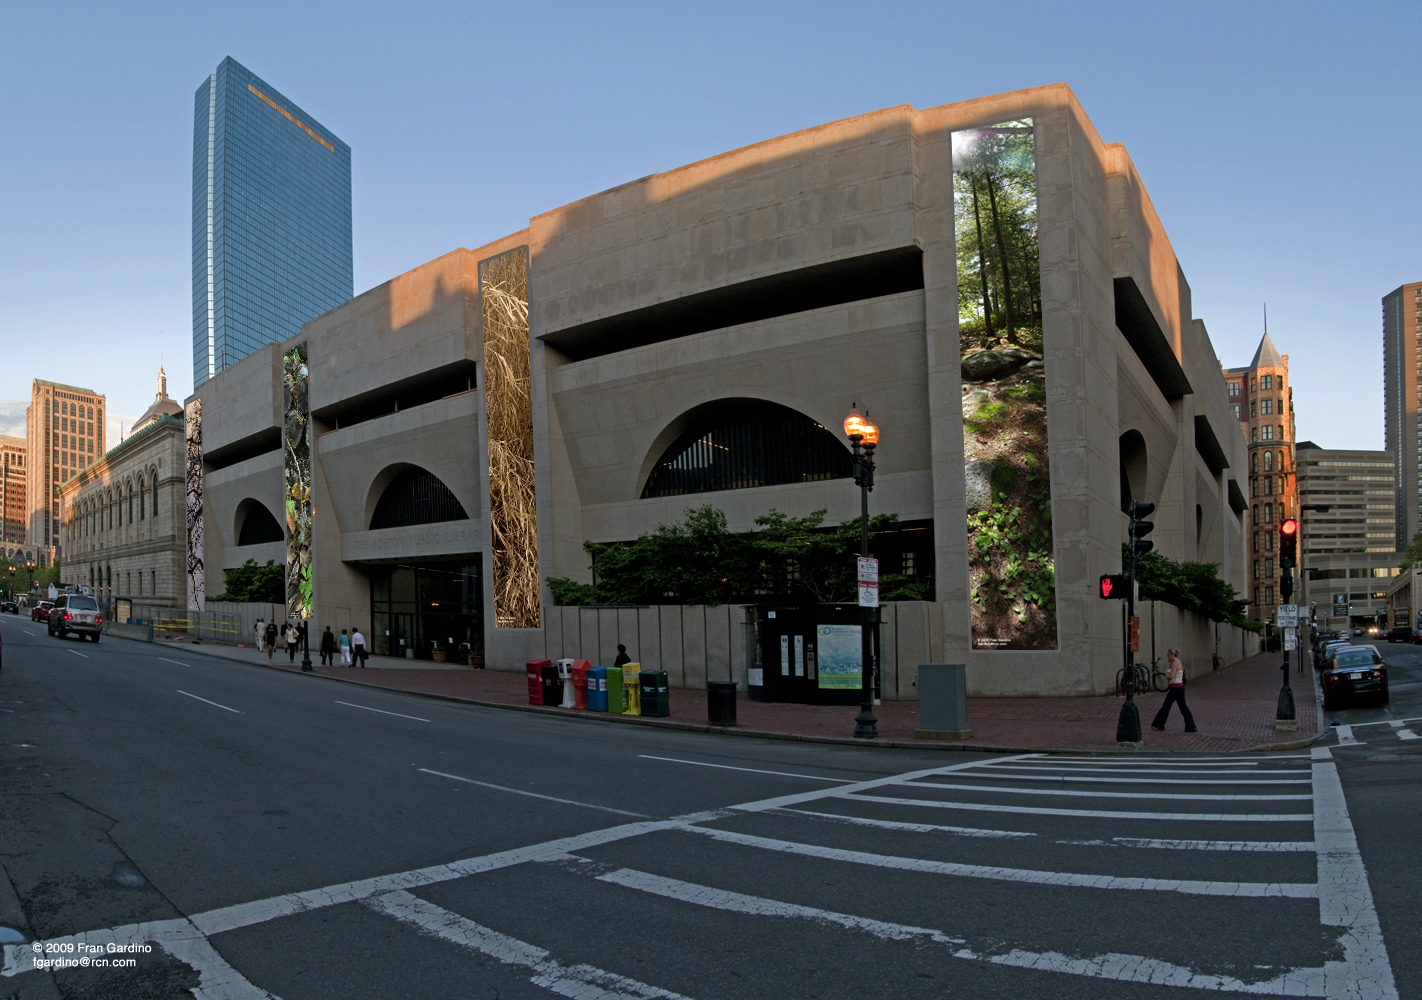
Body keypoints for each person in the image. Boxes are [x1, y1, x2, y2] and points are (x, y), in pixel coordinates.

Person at [1151, 648, 1197, 733]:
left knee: (1166, 706)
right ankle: (1191, 726)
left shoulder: (1175, 663)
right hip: (1179, 687)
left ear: (1172, 655)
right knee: (1183, 707)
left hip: (1175, 688)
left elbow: (1171, 677)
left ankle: (1158, 724)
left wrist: (1166, 674)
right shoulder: (1177, 662)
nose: (1167, 658)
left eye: (1168, 655)